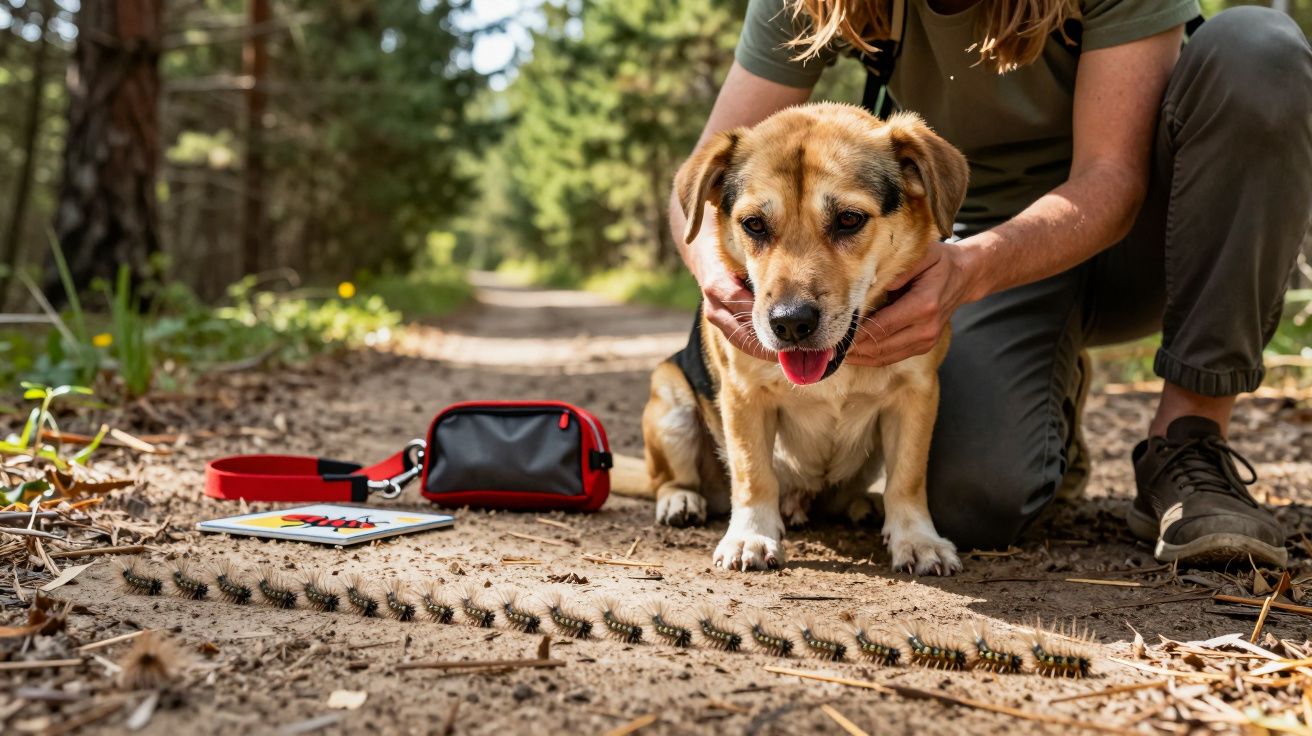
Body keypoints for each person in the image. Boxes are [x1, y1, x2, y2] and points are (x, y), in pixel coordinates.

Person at [671, 0, 1312, 566]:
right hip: (985, 251)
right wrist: (718, 282)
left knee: (1257, 50)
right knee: (977, 502)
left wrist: (967, 267)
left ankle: (1189, 442)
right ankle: (1048, 391)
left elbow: (1113, 179)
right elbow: (701, 189)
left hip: (1159, 238)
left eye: (846, 223)